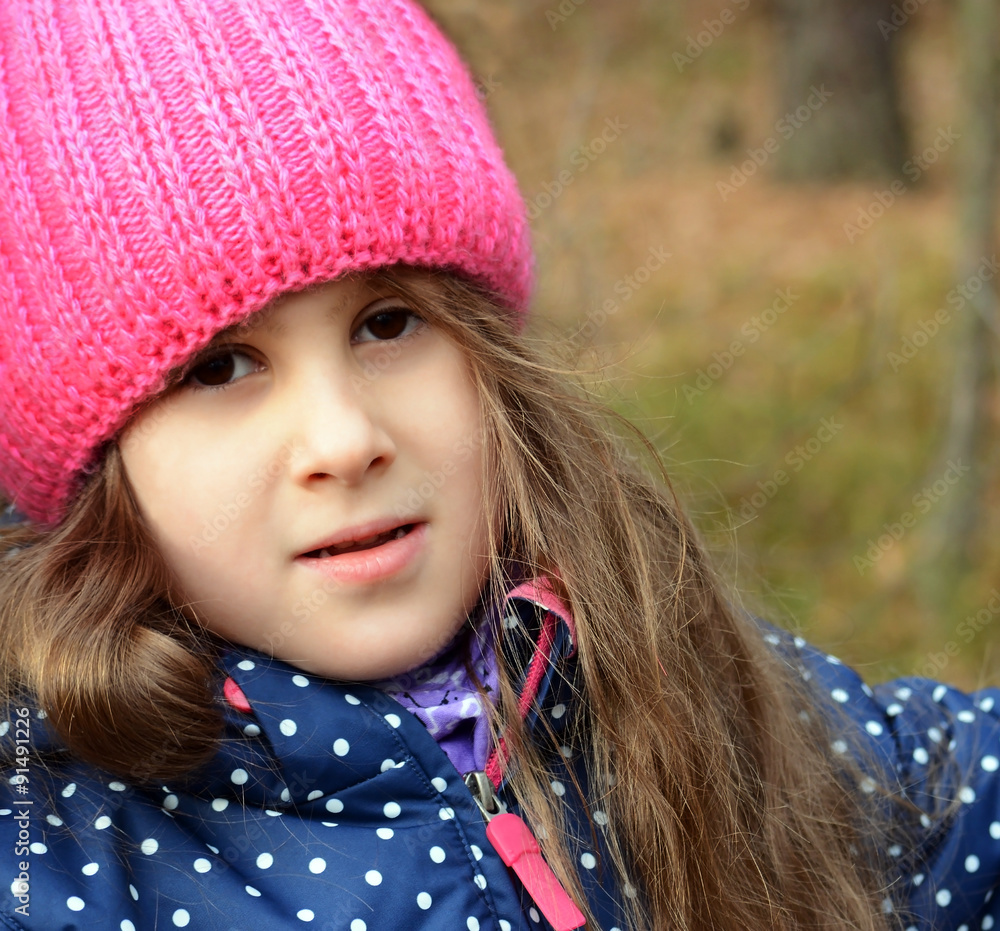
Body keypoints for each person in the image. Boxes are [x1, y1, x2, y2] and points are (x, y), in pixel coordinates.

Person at [0, 1, 997, 929]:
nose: (346, 441)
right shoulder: (58, 854)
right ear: (90, 468)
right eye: (221, 367)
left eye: (387, 322)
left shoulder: (657, 668)